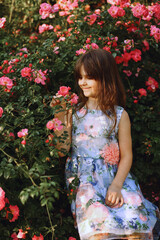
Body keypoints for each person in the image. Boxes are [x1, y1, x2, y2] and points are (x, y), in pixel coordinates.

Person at [50, 49, 159, 240]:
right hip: (85, 183)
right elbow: (61, 151)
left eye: (89, 77)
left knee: (133, 225)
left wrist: (116, 185)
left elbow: (127, 155)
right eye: (80, 77)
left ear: (105, 78)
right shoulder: (73, 113)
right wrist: (60, 118)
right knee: (99, 230)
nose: (82, 82)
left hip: (115, 178)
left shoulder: (118, 115)